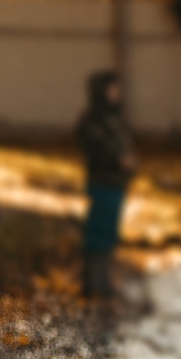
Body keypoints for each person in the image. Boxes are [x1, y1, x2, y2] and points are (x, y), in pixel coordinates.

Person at [74, 69, 134, 299]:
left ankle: (103, 281)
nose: (117, 93)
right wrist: (118, 159)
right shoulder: (93, 118)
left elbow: (122, 144)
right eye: (112, 88)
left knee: (109, 232)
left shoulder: (115, 116)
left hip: (116, 182)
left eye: (118, 88)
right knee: (97, 230)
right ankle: (92, 282)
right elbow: (95, 145)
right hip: (102, 181)